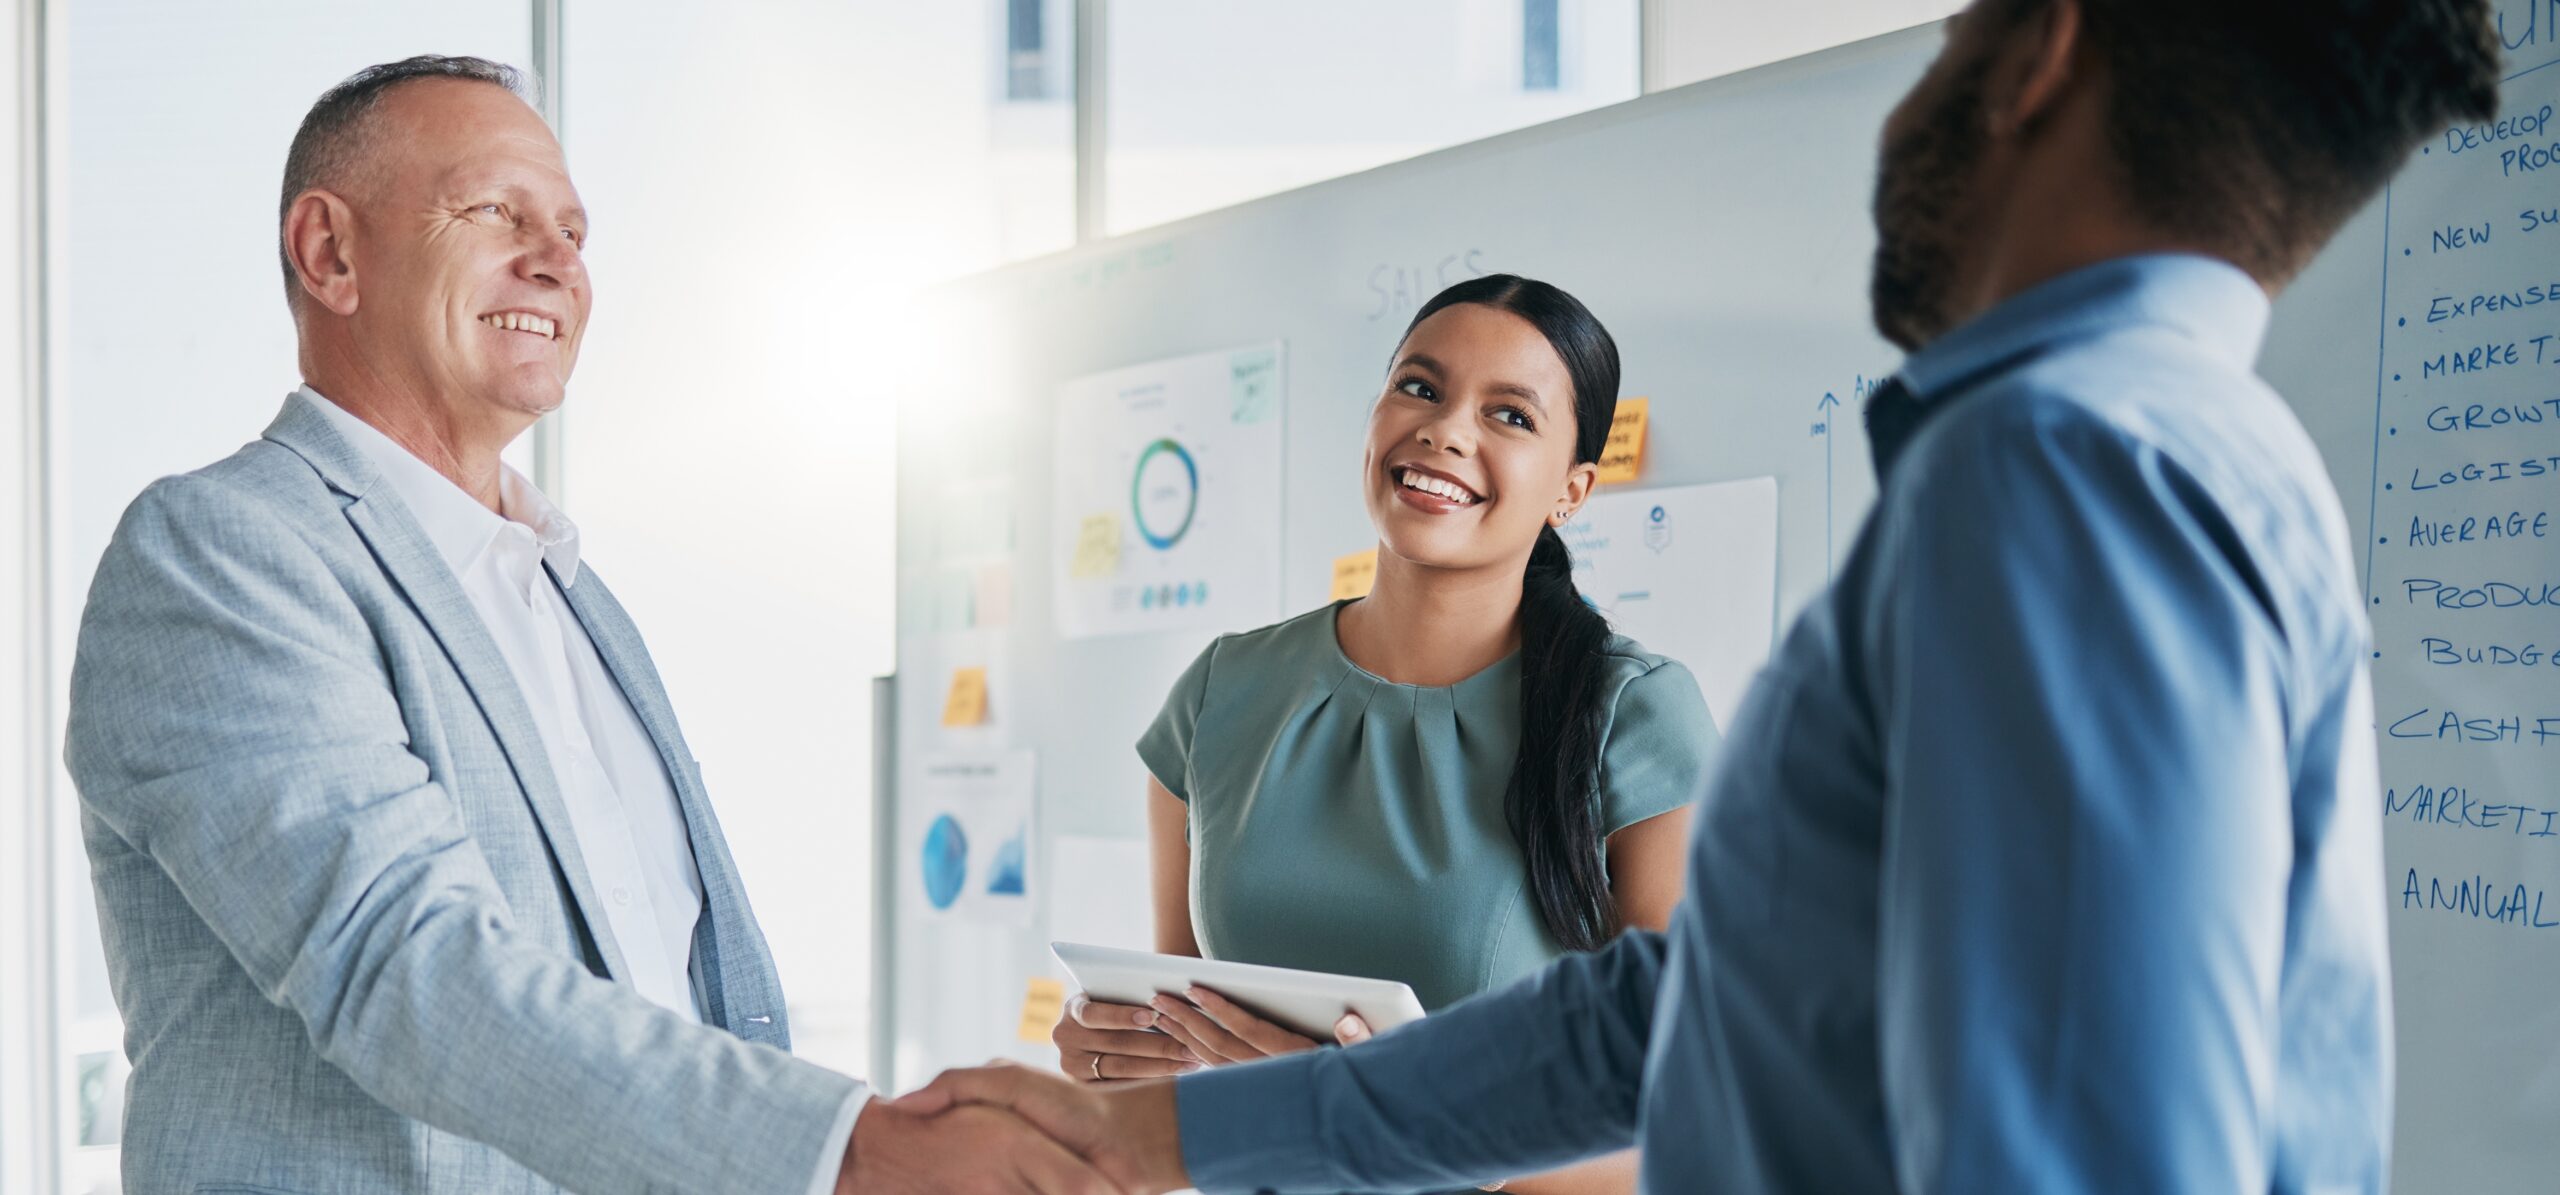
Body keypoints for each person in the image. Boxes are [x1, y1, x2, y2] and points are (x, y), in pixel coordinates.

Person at [900, 1, 2507, 1191]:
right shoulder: (2195, 451)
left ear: (2036, 57)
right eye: (1419, 386)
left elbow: (2090, 1147)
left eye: (1950, 35)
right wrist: (1167, 1126)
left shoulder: (2059, 469)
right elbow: (1684, 1012)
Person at [64, 57, 1105, 1195]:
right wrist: (846, 1149)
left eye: (572, 229)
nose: (558, 261)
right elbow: (407, 969)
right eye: (495, 211)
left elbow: (684, 993)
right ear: (331, 253)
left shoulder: (569, 595)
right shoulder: (221, 550)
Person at [1053, 276, 1714, 1193]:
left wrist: (1387, 1110)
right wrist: (1110, 1053)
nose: (1445, 430)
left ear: (1573, 489)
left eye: (1511, 415)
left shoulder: (1634, 713)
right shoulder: (1220, 692)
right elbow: (1183, 1033)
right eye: (1420, 386)